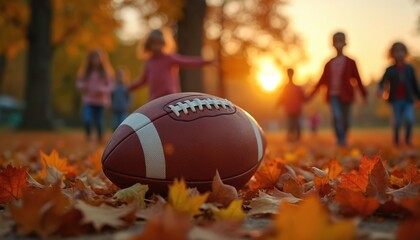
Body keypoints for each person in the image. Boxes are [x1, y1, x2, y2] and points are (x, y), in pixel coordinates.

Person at [308, 32, 367, 146]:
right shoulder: (329, 63)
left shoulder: (351, 62)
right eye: (336, 42)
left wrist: (363, 94)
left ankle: (343, 136)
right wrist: (312, 93)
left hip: (347, 95)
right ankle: (340, 140)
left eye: (340, 41)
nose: (338, 44)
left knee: (346, 120)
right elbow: (321, 81)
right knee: (337, 117)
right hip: (333, 95)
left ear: (345, 43)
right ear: (333, 44)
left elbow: (358, 79)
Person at [128, 29, 216, 100]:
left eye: (160, 43)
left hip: (171, 97)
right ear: (149, 45)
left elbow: (188, 61)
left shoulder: (169, 58)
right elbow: (143, 80)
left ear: (164, 44)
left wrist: (207, 62)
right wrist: (128, 88)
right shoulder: (149, 62)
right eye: (154, 43)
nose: (157, 46)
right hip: (155, 99)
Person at [378, 42, 420, 146]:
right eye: (396, 51)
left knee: (409, 119)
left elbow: (415, 85)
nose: (399, 54)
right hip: (395, 100)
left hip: (408, 100)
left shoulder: (410, 69)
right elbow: (383, 81)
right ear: (392, 54)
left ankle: (407, 139)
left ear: (405, 53)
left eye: (401, 51)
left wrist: (419, 98)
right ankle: (396, 141)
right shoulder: (390, 69)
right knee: (396, 122)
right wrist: (380, 88)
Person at [76, 49, 114, 142]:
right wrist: (83, 86)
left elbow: (111, 85)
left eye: (97, 59)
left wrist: (102, 89)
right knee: (87, 119)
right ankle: (88, 136)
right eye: (93, 59)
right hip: (88, 101)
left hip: (100, 102)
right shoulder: (86, 72)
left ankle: (100, 138)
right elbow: (78, 83)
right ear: (90, 60)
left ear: (101, 60)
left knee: (99, 122)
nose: (95, 61)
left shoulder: (105, 73)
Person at [277, 68, 305, 142]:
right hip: (289, 109)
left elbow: (303, 97)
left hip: (296, 109)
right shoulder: (286, 87)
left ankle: (296, 137)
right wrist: (278, 104)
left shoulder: (297, 87)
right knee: (290, 124)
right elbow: (282, 98)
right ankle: (291, 137)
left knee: (296, 123)